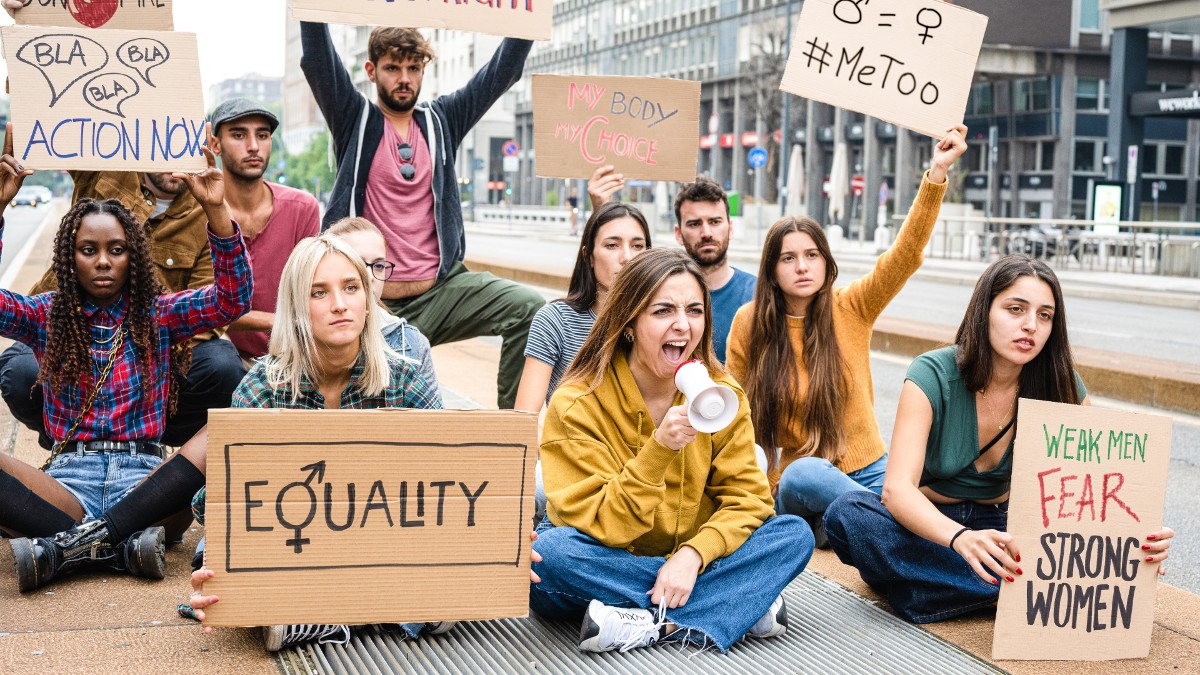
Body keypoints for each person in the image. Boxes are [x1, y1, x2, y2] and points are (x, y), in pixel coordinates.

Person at [823, 255, 1177, 623]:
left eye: (1044, 315)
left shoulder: (1063, 384)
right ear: (984, 310)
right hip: (934, 527)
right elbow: (897, 490)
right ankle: (1005, 590)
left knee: (1057, 556)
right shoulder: (931, 374)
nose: (1030, 326)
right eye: (1015, 309)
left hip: (1010, 527)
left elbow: (1098, 487)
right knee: (848, 516)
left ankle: (927, 592)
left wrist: (1138, 535)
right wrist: (961, 539)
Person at [0, 129, 253, 593]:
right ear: (69, 257)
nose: (102, 261)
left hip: (148, 485)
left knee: (230, 429)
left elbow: (231, 300)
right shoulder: (45, 313)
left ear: (132, 257)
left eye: (115, 250)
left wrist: (217, 210)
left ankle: (70, 549)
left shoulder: (158, 315)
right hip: (66, 487)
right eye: (88, 250)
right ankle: (121, 547)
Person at [530, 248, 813, 654]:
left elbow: (749, 500)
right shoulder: (576, 403)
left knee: (792, 534)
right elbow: (605, 524)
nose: (683, 325)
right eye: (663, 311)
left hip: (692, 563)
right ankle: (735, 602)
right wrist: (659, 448)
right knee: (548, 557)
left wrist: (693, 556)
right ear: (628, 321)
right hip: (607, 557)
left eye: (695, 311)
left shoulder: (723, 395)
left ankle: (647, 624)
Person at [183, 234, 450, 652]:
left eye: (351, 287)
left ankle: (318, 618)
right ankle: (376, 613)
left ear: (367, 299)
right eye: (319, 292)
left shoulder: (405, 377)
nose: (340, 304)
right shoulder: (261, 388)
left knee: (444, 575)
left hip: (383, 543)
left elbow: (445, 487)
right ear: (295, 307)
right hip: (293, 547)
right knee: (219, 566)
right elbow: (219, 503)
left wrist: (492, 539)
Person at [725, 125, 968, 546]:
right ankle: (894, 527)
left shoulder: (852, 306)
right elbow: (739, 422)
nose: (802, 267)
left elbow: (905, 255)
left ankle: (860, 524)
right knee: (806, 473)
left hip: (870, 471)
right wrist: (760, 490)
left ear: (825, 261)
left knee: (931, 481)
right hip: (800, 483)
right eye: (788, 258)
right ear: (772, 270)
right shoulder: (749, 323)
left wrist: (936, 174)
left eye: (811, 255)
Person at [300, 20, 543, 409]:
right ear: (371, 70)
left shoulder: (442, 120)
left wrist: (533, 14)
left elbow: (502, 72)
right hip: (372, 303)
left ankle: (512, 432)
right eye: (393, 68)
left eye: (413, 69)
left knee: (527, 307)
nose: (404, 79)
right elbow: (317, 60)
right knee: (373, 395)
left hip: (440, 293)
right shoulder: (354, 118)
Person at [589, 167, 754, 364]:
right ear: (678, 233)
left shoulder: (758, 295)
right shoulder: (652, 290)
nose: (706, 232)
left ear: (731, 227)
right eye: (694, 224)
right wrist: (601, 208)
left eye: (715, 221)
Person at [209, 97, 321, 365]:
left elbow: (310, 291)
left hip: (293, 355)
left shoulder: (302, 208)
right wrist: (280, 321)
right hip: (224, 357)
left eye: (263, 135)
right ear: (215, 144)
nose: (253, 146)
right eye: (238, 135)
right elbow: (200, 307)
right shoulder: (200, 210)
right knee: (218, 364)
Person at [513, 203, 651, 413]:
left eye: (638, 246)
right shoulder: (555, 320)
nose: (627, 258)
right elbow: (525, 417)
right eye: (612, 245)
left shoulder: (661, 321)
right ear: (589, 256)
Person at [326, 216, 441, 400]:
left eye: (379, 265)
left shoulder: (411, 343)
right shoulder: (306, 333)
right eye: (358, 263)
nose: (370, 276)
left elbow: (434, 424)